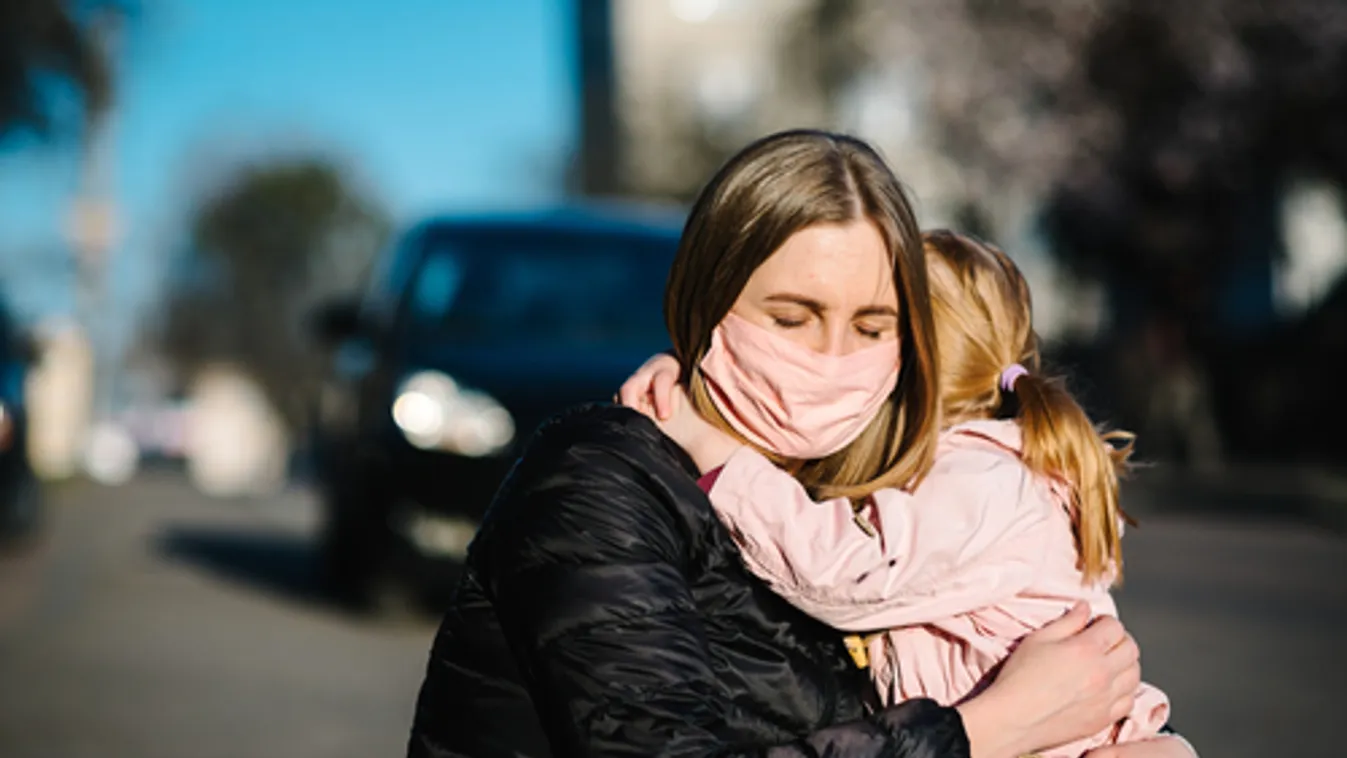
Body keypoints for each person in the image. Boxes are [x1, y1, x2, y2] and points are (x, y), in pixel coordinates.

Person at [407, 130, 1145, 758]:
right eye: (791, 319)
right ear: (708, 301)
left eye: (871, 327)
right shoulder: (597, 482)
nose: (831, 357)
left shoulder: (875, 487)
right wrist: (988, 730)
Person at [619, 229, 1195, 757]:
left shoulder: (982, 482)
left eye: (870, 332)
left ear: (908, 363)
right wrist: (702, 378)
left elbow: (844, 570)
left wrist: (715, 451)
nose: (837, 359)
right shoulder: (984, 471)